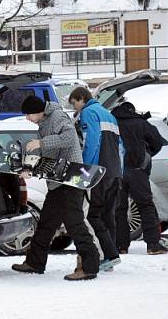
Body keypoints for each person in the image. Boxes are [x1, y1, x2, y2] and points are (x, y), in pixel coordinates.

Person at [11, 95, 101, 281]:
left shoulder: (58, 117)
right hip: (56, 182)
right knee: (47, 222)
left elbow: (69, 138)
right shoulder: (43, 124)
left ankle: (89, 266)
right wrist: (29, 169)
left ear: (38, 111)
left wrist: (41, 143)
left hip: (70, 180)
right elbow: (48, 157)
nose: (27, 118)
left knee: (74, 223)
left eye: (28, 114)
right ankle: (35, 262)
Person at [68, 87, 123, 270]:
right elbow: (120, 146)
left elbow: (92, 141)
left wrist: (85, 169)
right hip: (115, 172)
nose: (76, 108)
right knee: (109, 215)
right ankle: (111, 258)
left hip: (98, 172)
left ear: (82, 98)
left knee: (94, 215)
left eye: (75, 103)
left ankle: (111, 254)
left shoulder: (88, 113)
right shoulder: (109, 115)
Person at [111, 101, 168, 255]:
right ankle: (153, 245)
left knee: (119, 210)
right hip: (137, 171)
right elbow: (157, 141)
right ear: (132, 110)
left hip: (117, 172)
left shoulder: (111, 123)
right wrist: (147, 154)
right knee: (146, 206)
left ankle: (121, 246)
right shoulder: (141, 123)